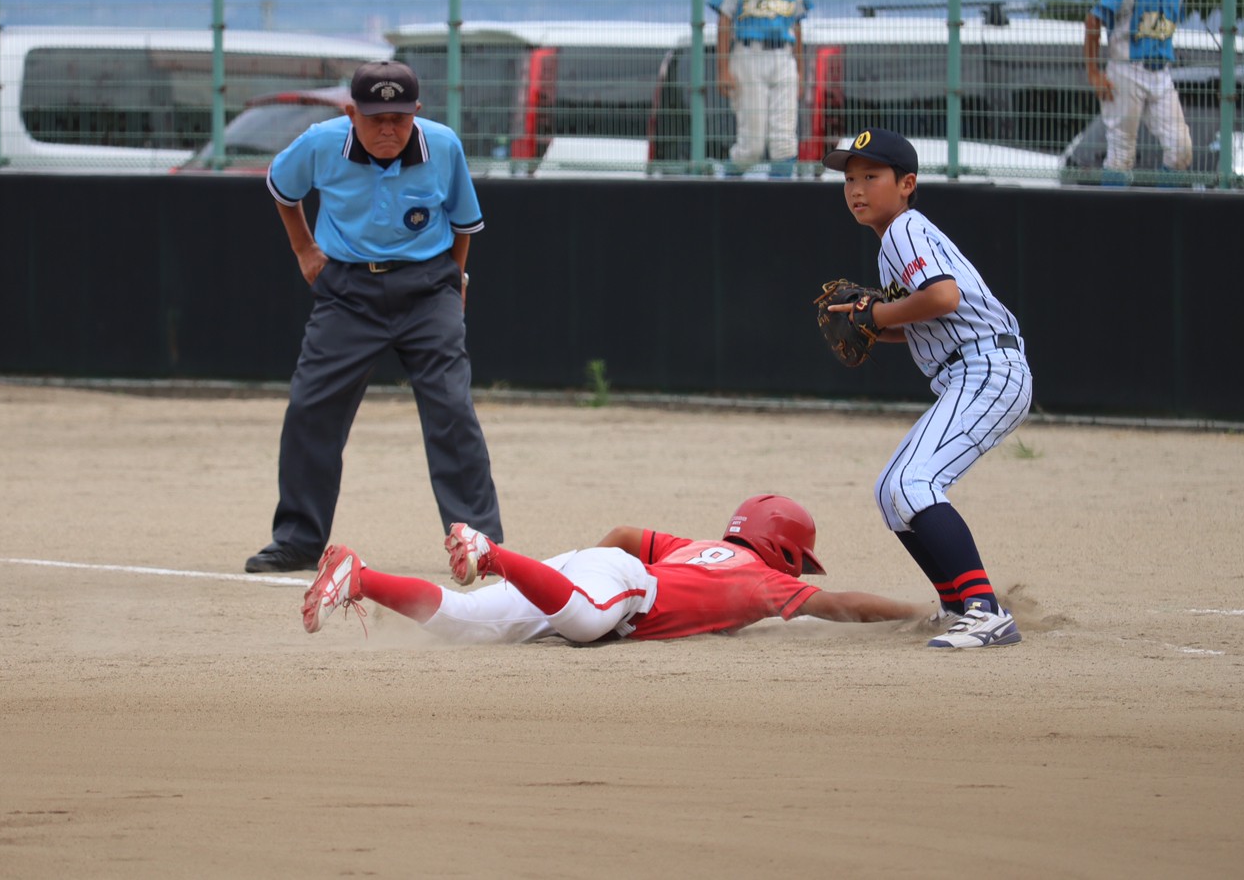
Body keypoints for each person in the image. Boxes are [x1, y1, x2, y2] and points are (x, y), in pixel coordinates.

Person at [244, 61, 503, 574]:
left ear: (417, 114)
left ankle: (480, 542)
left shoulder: (443, 146)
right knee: (310, 406)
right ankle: (297, 539)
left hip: (427, 289)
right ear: (350, 113)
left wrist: (455, 282)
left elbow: (463, 222)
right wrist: (304, 250)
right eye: (375, 117)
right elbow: (281, 187)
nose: (388, 129)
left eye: (399, 118)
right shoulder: (321, 142)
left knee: (451, 408)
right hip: (347, 291)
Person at [822, 129, 1033, 649]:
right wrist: (874, 322)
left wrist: (876, 312)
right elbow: (923, 318)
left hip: (988, 369)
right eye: (850, 178)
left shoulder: (905, 231)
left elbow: (942, 296)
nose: (857, 188)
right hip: (975, 370)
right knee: (892, 493)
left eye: (872, 176)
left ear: (907, 183)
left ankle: (986, 611)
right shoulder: (898, 239)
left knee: (913, 485)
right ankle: (958, 603)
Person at [301, 494, 928, 643]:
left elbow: (628, 534)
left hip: (591, 566)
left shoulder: (699, 548)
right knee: (586, 625)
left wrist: (584, 567)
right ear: (788, 552)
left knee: (463, 623)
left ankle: (359, 576)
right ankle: (491, 554)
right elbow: (840, 602)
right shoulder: (766, 580)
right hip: (625, 588)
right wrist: (922, 612)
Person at [1083, 0, 1194, 187]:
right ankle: (1113, 221)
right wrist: (1094, 72)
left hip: (1161, 74)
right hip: (1125, 70)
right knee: (1122, 155)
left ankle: (1159, 212)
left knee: (1181, 149)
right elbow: (1093, 19)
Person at [709, 0, 812, 179]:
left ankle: (780, 210)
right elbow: (725, 20)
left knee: (784, 143)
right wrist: (722, 69)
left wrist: (800, 71)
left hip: (783, 56)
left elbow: (797, 25)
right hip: (748, 54)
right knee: (751, 147)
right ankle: (724, 191)